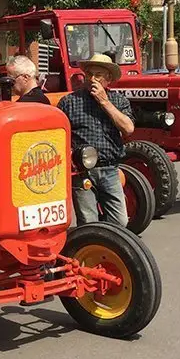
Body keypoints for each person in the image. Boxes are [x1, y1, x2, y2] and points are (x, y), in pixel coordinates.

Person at [57, 53, 134, 228]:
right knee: (88, 223)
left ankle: (109, 247)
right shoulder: (69, 102)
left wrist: (104, 102)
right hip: (82, 172)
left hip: (110, 169)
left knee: (120, 222)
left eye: (98, 75)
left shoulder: (118, 101)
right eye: (89, 74)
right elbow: (58, 136)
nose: (92, 79)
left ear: (108, 78)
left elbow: (128, 128)